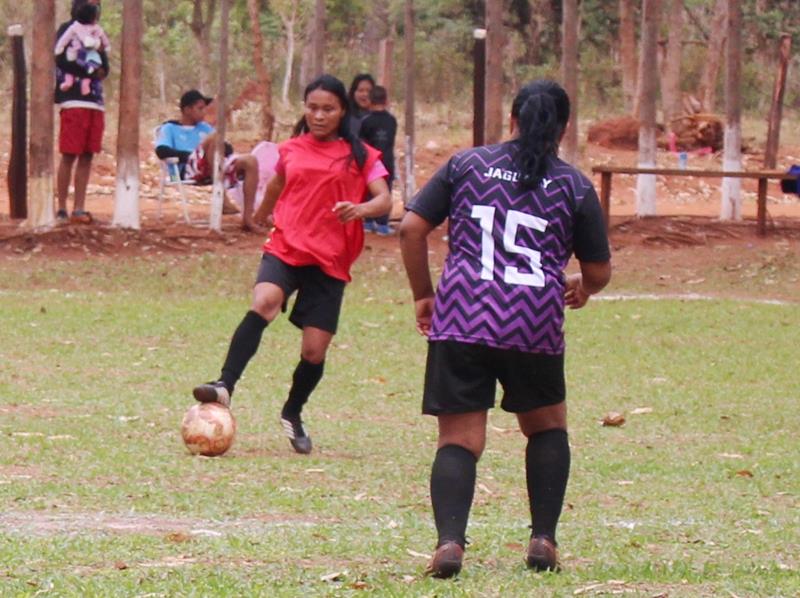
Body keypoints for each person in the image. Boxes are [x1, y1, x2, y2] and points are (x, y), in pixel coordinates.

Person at [399, 80, 611, 578]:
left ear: (512, 119)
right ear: (563, 127)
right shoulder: (574, 185)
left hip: (462, 319)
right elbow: (599, 272)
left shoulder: (466, 165)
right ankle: (543, 539)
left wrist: (423, 294)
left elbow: (411, 228)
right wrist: (582, 284)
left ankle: (450, 542)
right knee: (546, 427)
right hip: (532, 322)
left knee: (458, 440)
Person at [192, 74, 391, 455]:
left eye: (328, 109)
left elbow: (384, 199)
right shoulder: (291, 148)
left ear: (342, 111)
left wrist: (361, 209)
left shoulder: (362, 155)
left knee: (314, 352)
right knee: (263, 302)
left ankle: (293, 411)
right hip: (287, 245)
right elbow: (277, 186)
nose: (319, 115)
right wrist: (259, 217)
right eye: (312, 107)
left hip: (330, 257)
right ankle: (224, 385)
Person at [154, 90, 262, 231]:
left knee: (251, 160)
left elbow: (227, 149)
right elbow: (162, 151)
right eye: (200, 108)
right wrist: (194, 154)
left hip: (213, 167)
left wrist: (213, 149)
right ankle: (224, 198)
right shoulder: (170, 128)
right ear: (187, 110)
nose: (204, 112)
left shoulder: (205, 127)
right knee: (213, 138)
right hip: (182, 170)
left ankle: (247, 219)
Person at [55, 0, 108, 225]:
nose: (94, 8)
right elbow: (59, 59)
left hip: (94, 102)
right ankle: (61, 208)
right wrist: (86, 70)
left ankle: (79, 208)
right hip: (73, 100)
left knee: (87, 154)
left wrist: (98, 71)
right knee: (69, 154)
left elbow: (105, 67)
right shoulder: (66, 29)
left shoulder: (98, 33)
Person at [359, 85, 397, 236]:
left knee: (368, 190)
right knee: (385, 191)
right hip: (387, 160)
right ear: (386, 100)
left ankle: (368, 222)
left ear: (369, 100)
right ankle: (382, 224)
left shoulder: (365, 121)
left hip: (370, 162)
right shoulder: (391, 121)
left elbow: (362, 142)